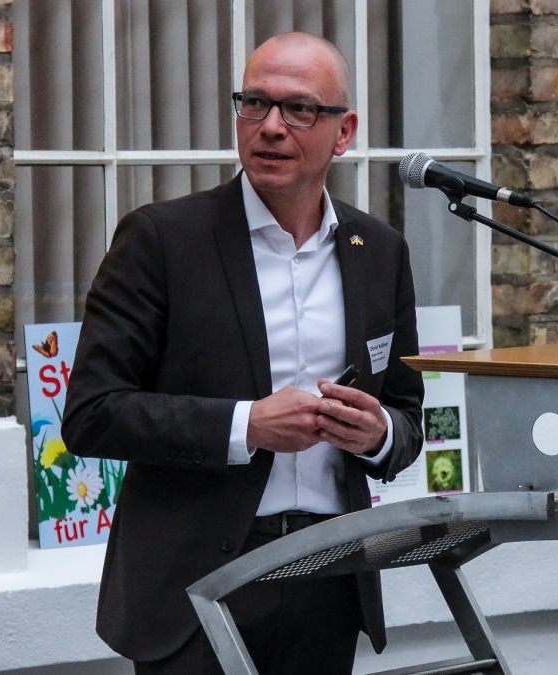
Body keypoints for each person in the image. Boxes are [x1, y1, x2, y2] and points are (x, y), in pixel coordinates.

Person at [63, 31, 424, 674]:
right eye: (255, 103)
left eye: (299, 108)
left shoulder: (380, 251)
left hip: (329, 575)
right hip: (196, 587)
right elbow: (93, 412)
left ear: (344, 133)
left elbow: (405, 416)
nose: (271, 126)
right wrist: (246, 425)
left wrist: (377, 435)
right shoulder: (161, 240)